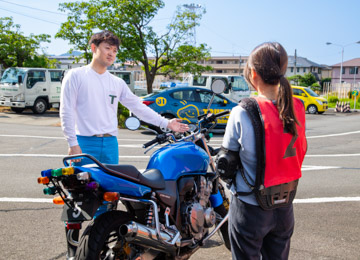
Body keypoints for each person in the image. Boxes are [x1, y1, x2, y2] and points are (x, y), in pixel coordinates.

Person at [221, 42, 307, 259]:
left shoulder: (242, 111)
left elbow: (226, 162)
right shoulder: (297, 106)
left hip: (250, 207)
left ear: (252, 73)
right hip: (285, 206)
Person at [60, 30, 189, 165]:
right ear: (94, 48)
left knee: (112, 185)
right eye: (107, 48)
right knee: (83, 185)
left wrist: (166, 123)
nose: (111, 53)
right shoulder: (75, 76)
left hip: (110, 144)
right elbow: (66, 111)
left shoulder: (117, 82)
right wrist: (72, 143)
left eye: (115, 50)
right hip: (85, 142)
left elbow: (138, 107)